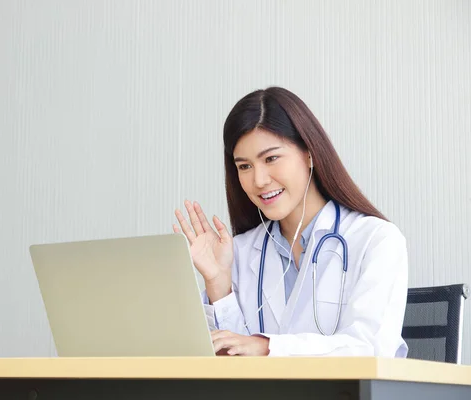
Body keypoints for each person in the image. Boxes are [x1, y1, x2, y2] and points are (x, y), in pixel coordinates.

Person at [173, 87, 409, 357]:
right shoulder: (237, 252)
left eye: (271, 158)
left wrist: (268, 347)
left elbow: (372, 349)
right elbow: (230, 359)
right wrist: (217, 282)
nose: (258, 180)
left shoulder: (375, 240)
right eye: (244, 166)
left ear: (309, 153)